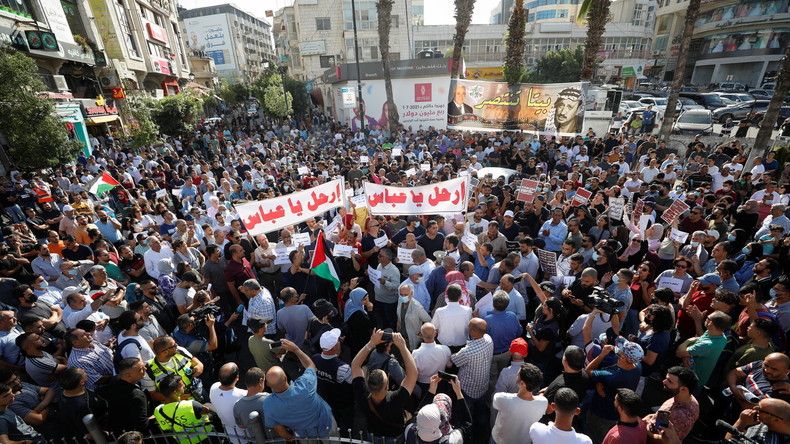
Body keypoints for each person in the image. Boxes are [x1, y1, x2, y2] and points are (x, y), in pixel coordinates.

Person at [351, 329, 418, 442]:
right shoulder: (396, 399)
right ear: (387, 387)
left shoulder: (362, 396)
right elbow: (413, 374)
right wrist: (403, 346)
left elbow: (355, 365)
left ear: (367, 384)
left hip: (373, 436)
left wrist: (371, 343)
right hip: (395, 439)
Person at [264, 338, 336, 439]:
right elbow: (310, 366)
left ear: (268, 384)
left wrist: (289, 437)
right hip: (326, 426)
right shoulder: (305, 386)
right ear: (285, 378)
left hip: (304, 434)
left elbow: (277, 427)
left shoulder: (268, 405)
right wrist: (296, 349)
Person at [491, 363, 548, 444]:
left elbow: (495, 402)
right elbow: (541, 399)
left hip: (499, 440)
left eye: (518, 374)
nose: (516, 375)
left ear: (522, 383)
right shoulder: (543, 403)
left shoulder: (501, 398)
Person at [153, 374, 215, 444]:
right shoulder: (191, 405)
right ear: (174, 392)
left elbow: (165, 428)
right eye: (182, 385)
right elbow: (207, 413)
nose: (185, 386)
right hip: (205, 439)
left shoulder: (158, 411)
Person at [644, 366, 700, 442]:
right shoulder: (689, 398)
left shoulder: (678, 416)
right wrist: (651, 417)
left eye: (670, 381)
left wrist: (644, 430)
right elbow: (661, 420)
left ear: (684, 389)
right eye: (666, 378)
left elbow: (663, 441)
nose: (664, 381)